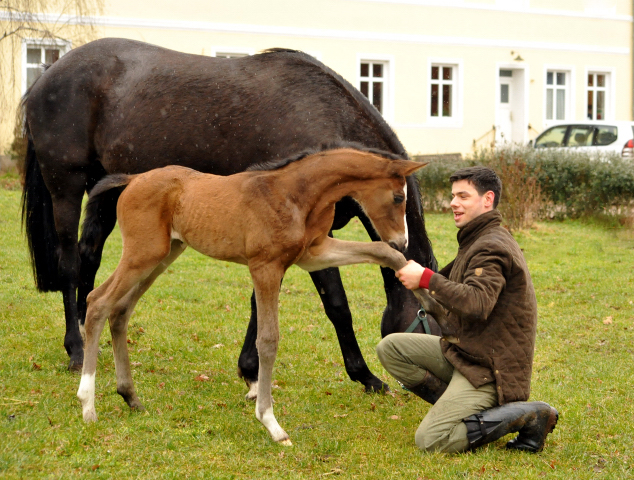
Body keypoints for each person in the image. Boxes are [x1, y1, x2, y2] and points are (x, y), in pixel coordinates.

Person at [376, 166, 558, 453]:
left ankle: (530, 413)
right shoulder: (476, 239)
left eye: (463, 196)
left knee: (430, 441)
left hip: (491, 371)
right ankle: (460, 408)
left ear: (487, 200)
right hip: (465, 353)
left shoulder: (492, 246)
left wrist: (424, 278)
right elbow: (447, 283)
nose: (453, 203)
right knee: (391, 348)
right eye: (452, 196)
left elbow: (476, 303)